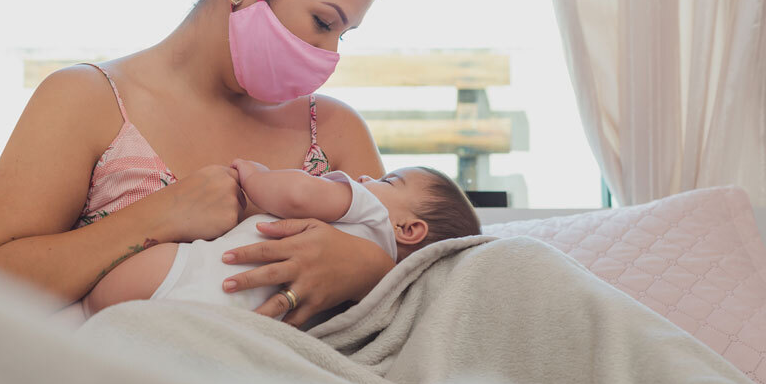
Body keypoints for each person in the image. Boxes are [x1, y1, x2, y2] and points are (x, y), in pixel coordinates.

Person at [0, 0, 394, 328]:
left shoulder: (337, 132)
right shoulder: (85, 102)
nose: (328, 55)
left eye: (344, 35)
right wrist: (157, 217)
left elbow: (415, 283)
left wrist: (368, 268)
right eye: (324, 23)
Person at [70, 159, 482, 324]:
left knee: (88, 313)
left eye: (389, 180)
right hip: (234, 322)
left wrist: (255, 175)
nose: (368, 179)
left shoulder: (369, 210)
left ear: (408, 230)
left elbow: (298, 194)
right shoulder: (375, 303)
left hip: (186, 272)